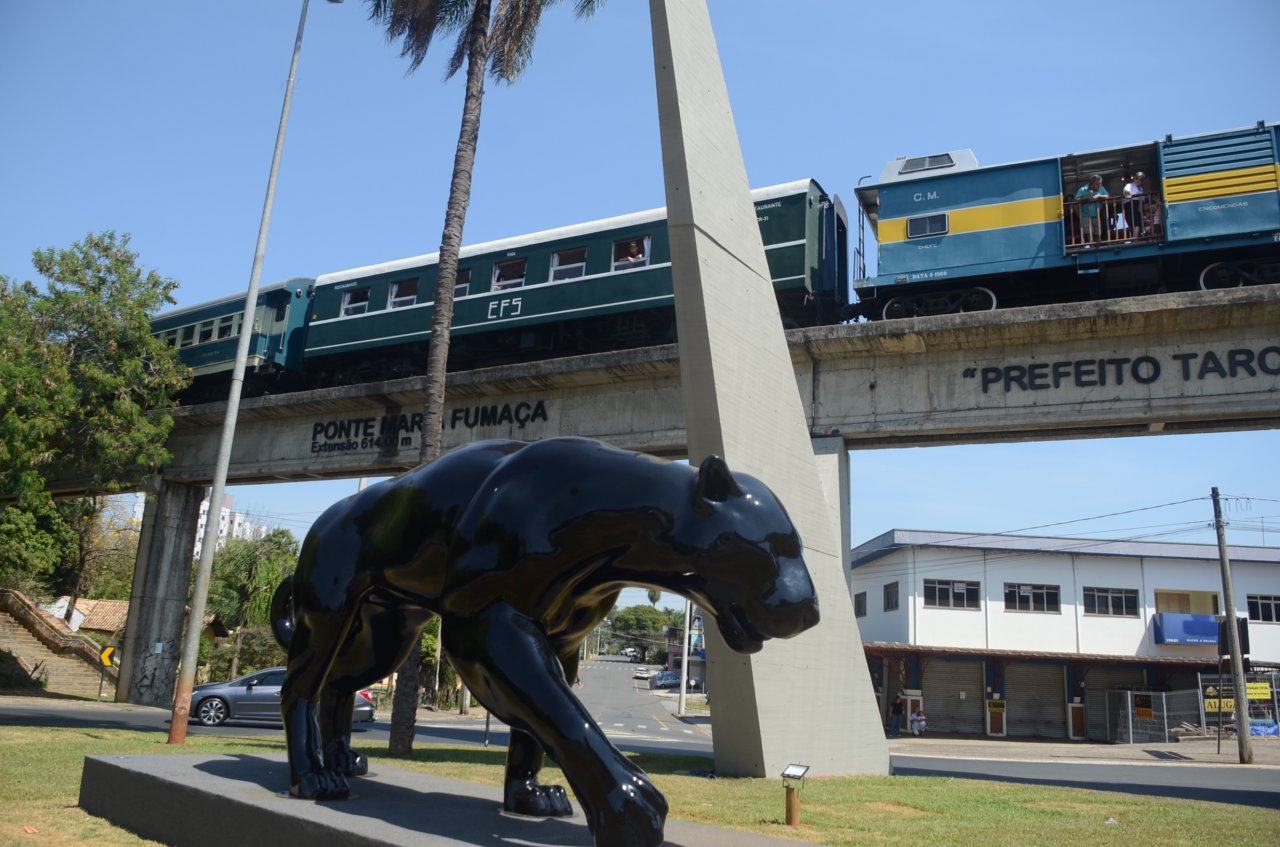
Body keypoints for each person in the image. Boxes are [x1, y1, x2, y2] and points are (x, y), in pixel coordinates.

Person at [1074, 174, 1108, 244]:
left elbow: (1107, 196)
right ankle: (1092, 247)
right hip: (1086, 215)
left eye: (1100, 183)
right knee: (1089, 233)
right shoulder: (1082, 190)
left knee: (1098, 233)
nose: (1100, 185)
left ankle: (1099, 247)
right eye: (1097, 184)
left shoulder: (1101, 188)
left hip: (1097, 215)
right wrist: (1086, 197)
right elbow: (1076, 200)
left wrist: (1099, 196)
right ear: (1092, 183)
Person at [1123, 172, 1146, 237]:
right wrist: (1130, 195)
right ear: (1134, 179)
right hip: (1130, 204)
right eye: (1137, 178)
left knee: (1138, 222)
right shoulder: (1129, 185)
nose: (1138, 180)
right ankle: (1135, 239)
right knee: (1133, 222)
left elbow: (1142, 200)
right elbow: (1126, 191)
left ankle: (1136, 238)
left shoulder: (1141, 189)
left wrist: (1140, 207)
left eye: (1140, 180)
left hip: (1137, 205)